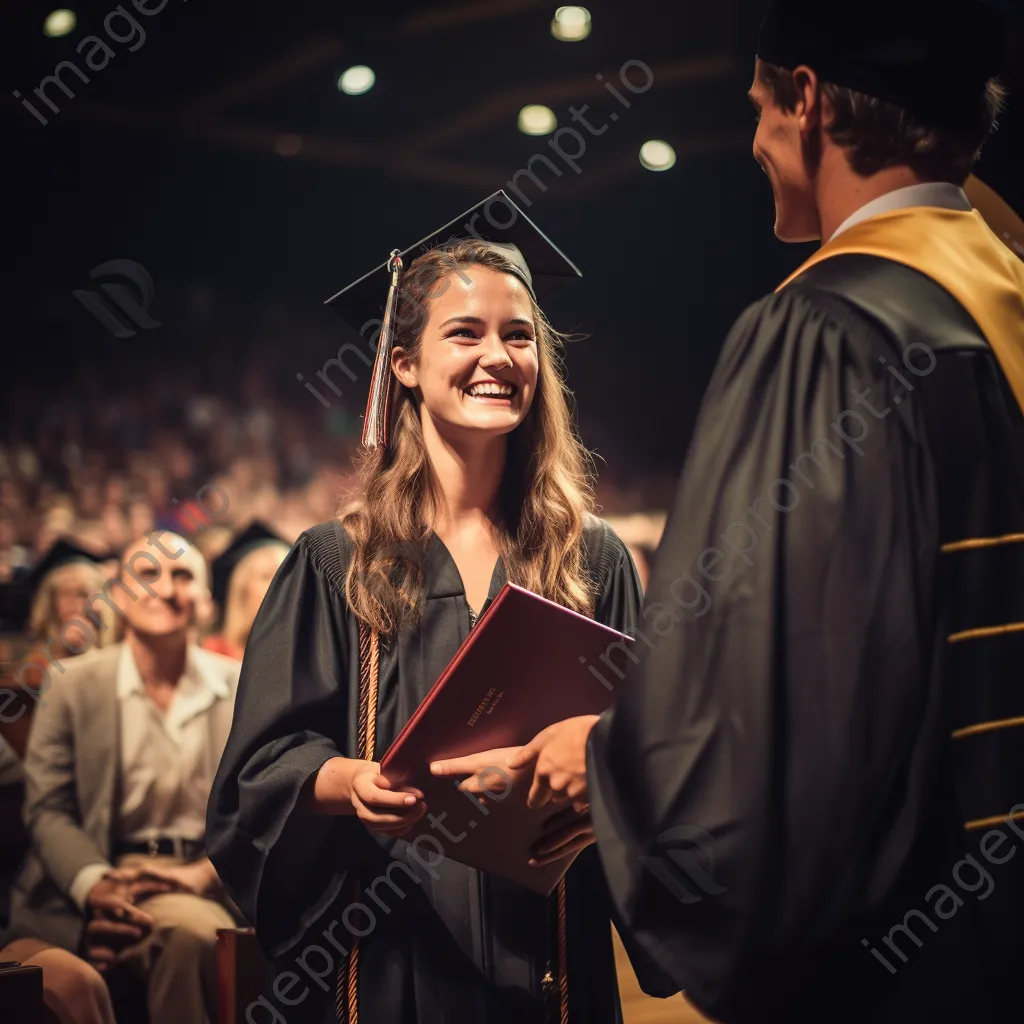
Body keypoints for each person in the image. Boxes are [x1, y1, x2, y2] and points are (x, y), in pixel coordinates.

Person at [488, 3, 1024, 1023]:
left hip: (903, 964)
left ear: (807, 101)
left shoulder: (825, 331)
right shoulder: (1000, 298)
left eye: (756, 108)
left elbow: (780, 702)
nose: (752, 142)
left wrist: (602, 759)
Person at [206, 192, 643, 1024]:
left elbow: (652, 747)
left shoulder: (593, 560)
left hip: (546, 945)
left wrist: (600, 774)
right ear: (401, 363)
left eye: (519, 336)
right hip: (387, 952)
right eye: (465, 332)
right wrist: (345, 780)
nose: (498, 356)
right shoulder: (337, 561)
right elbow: (257, 773)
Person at [1, 532, 241, 1024]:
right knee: (67, 982)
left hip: (196, 875)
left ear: (206, 600)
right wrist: (96, 888)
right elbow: (47, 808)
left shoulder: (240, 685)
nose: (166, 588)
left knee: (190, 937)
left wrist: (204, 876)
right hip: (84, 877)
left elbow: (260, 806)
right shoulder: (70, 684)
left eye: (184, 576)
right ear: (119, 591)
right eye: (148, 573)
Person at [202, 522, 290, 661]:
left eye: (288, 575)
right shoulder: (212, 657)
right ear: (242, 591)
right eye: (266, 576)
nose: (281, 585)